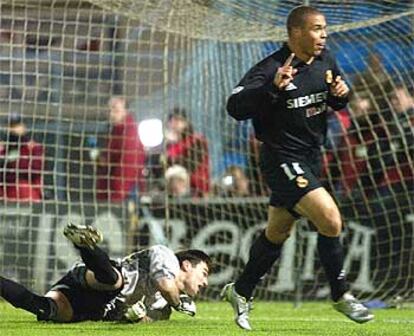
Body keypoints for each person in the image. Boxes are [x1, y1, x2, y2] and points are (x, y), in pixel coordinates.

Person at [221, 5, 374, 330]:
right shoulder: (272, 67)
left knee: (277, 232)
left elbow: (335, 98)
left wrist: (341, 97)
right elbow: (235, 106)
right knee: (330, 220)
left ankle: (241, 289)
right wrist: (272, 88)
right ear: (295, 33)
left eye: (324, 30)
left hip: (311, 158)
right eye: (317, 28)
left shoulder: (325, 61)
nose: (323, 35)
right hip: (280, 159)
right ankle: (342, 295)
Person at [0, 223, 212, 323]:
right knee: (115, 280)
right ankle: (85, 246)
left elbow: (146, 321)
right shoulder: (167, 258)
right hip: (95, 278)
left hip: (93, 309)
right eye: (203, 272)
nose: (206, 282)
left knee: (44, 309)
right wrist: (179, 303)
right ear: (186, 265)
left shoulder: (164, 309)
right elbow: (166, 286)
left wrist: (133, 319)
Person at [96, 96, 146, 202]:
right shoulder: (115, 131)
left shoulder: (129, 133)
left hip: (124, 192)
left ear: (125, 111)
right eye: (109, 110)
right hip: (116, 189)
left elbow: (128, 167)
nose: (111, 114)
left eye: (115, 110)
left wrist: (116, 197)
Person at [165, 108, 210, 197]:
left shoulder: (196, 140)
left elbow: (191, 164)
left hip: (196, 191)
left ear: (186, 123)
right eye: (172, 121)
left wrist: (169, 160)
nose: (175, 124)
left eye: (179, 120)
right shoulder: (169, 145)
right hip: (173, 190)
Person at [0, 114, 44, 202]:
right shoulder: (4, 148)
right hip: (6, 193)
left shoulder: (33, 147)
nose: (14, 129)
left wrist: (12, 161)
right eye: (11, 126)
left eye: (17, 125)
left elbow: (34, 170)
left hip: (27, 193)